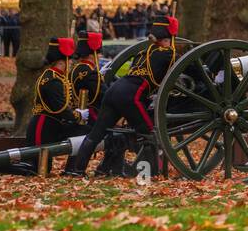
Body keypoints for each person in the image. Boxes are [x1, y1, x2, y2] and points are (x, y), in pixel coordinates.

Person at [66, 16, 178, 177]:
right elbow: (181, 68)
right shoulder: (167, 53)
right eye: (169, 41)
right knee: (150, 133)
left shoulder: (141, 52)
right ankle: (152, 171)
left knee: (95, 135)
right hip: (130, 97)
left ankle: (77, 171)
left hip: (115, 91)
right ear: (166, 40)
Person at [26, 37, 88, 150]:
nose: (71, 63)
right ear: (60, 62)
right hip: (43, 125)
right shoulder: (53, 80)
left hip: (51, 125)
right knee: (41, 164)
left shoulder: (56, 76)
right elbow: (61, 108)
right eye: (69, 60)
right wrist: (78, 115)